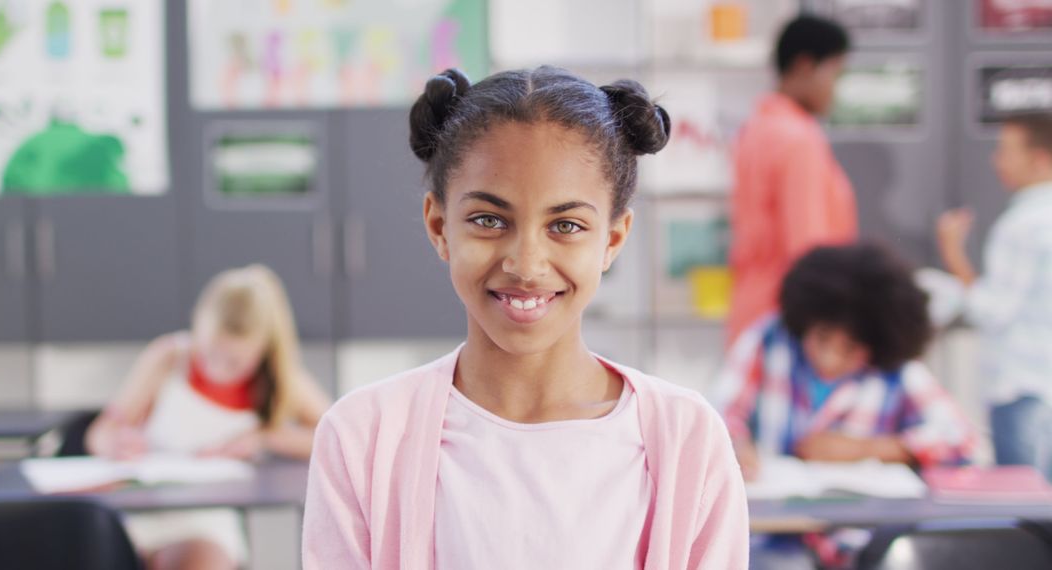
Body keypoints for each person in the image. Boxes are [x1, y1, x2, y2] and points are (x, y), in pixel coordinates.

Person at [302, 66, 749, 569]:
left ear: (613, 239)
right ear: (439, 225)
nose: (526, 264)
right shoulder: (364, 436)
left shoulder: (685, 438)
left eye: (566, 225)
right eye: (489, 220)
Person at [717, 243, 976, 569]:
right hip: (775, 536)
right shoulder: (768, 341)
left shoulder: (894, 370)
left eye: (850, 348)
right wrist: (736, 446)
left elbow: (962, 439)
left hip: (862, 540)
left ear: (877, 345)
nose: (830, 358)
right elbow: (721, 413)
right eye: (822, 338)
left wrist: (869, 448)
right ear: (804, 321)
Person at [86, 264, 332, 570]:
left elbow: (334, 438)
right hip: (140, 508)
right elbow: (100, 432)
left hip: (206, 521)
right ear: (197, 326)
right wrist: (113, 441)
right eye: (209, 352)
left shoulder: (281, 381)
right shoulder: (168, 357)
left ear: (264, 351)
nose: (218, 368)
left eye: (234, 361)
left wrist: (265, 437)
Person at [728, 14, 857, 345]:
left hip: (751, 312)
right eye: (835, 74)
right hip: (794, 321)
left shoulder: (756, 128)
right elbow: (809, 253)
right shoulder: (799, 139)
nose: (836, 90)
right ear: (804, 65)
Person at [937, 112, 1052, 481]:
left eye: (1006, 151)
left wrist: (953, 254)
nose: (996, 160)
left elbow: (993, 310)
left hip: (1022, 388)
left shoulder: (1021, 225)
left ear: (1040, 158)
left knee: (1025, 516)